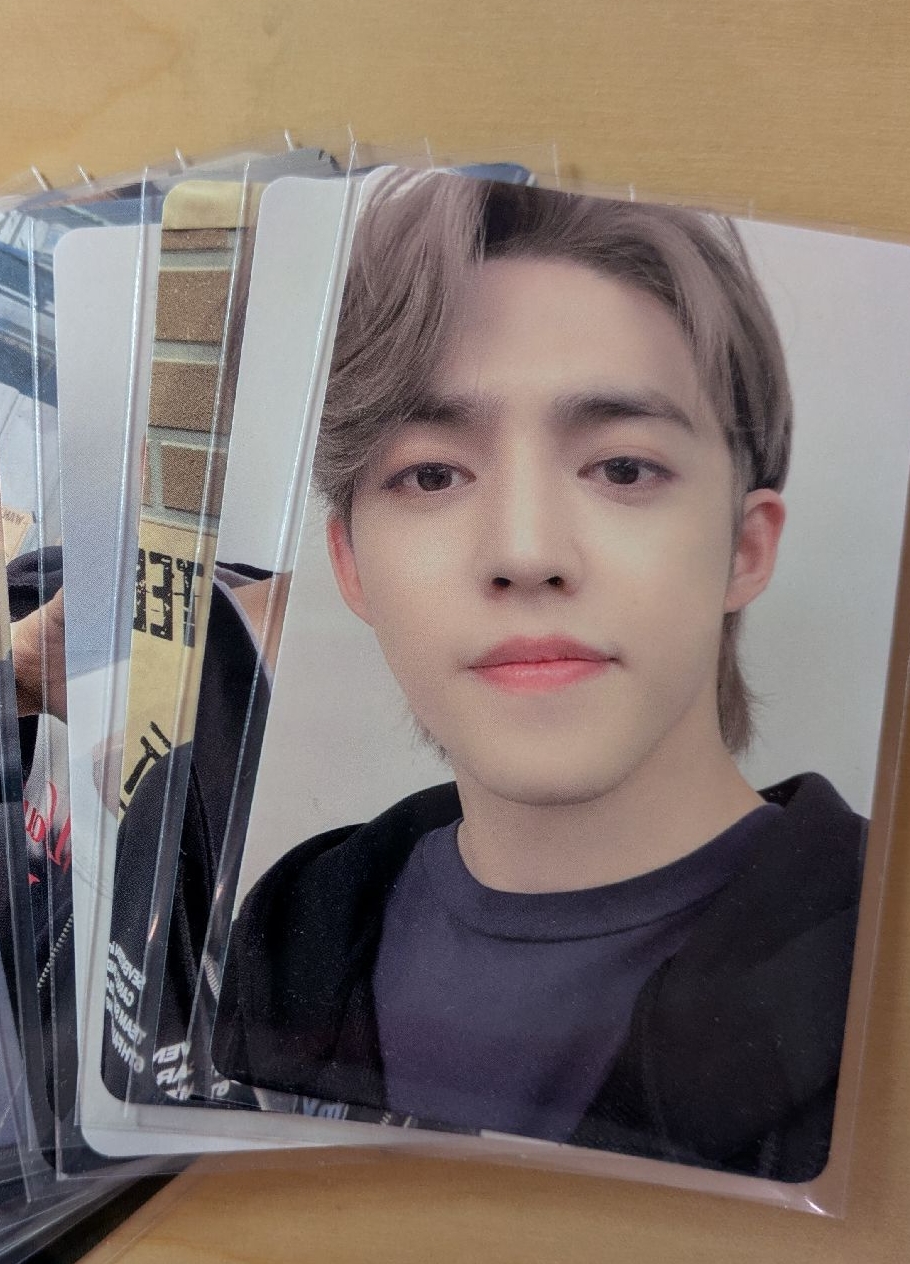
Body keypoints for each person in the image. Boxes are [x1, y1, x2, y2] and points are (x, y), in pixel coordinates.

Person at [212, 170, 867, 1183]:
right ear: (352, 566)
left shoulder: (878, 964)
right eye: (432, 473)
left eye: (622, 468)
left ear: (743, 548)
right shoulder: (288, 928)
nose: (525, 552)